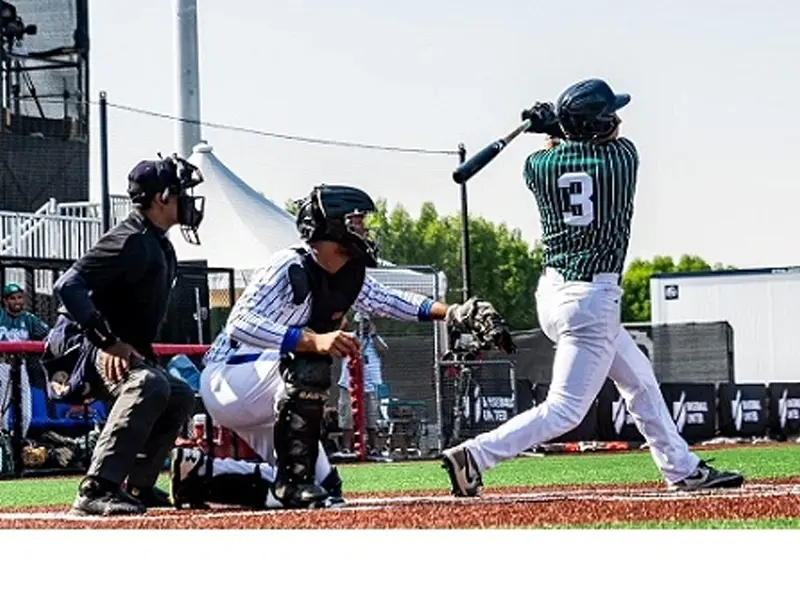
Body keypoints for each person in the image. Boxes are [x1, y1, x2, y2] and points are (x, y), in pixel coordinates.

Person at [442, 78, 745, 497]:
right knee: (565, 410)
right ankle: (475, 455)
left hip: (553, 294)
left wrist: (552, 127)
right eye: (608, 115)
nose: (616, 120)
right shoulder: (622, 160)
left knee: (639, 380)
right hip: (592, 301)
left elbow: (555, 151)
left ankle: (681, 468)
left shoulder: (539, 168)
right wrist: (557, 125)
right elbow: (602, 141)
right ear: (596, 126)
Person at [170, 184, 515, 510]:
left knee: (326, 490)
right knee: (311, 363)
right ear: (333, 226)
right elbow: (240, 324)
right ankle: (292, 480)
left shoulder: (348, 273)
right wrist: (312, 340)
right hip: (229, 377)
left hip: (268, 385)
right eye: (356, 221)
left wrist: (454, 313)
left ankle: (200, 476)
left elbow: (391, 301)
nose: (364, 230)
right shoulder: (288, 265)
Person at [46, 153, 207, 516]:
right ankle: (96, 488)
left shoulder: (159, 243)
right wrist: (107, 341)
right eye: (182, 192)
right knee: (150, 384)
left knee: (178, 392)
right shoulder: (130, 238)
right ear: (162, 197)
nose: (189, 201)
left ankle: (138, 484)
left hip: (103, 342)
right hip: (78, 345)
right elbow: (68, 285)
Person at [0, 283, 50, 439]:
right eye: (12, 298)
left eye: (20, 297)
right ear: (5, 301)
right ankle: (4, 439)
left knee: (26, 407)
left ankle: (21, 440)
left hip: (21, 366)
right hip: (2, 365)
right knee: (3, 405)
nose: (17, 301)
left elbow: (48, 335)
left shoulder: (29, 318)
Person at [336, 312, 388, 455]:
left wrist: (373, 335)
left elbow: (383, 351)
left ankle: (374, 448)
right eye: (360, 322)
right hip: (349, 383)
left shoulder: (375, 339)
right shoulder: (349, 338)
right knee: (347, 417)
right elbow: (339, 353)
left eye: (365, 322)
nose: (362, 325)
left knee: (372, 418)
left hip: (371, 385)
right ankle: (347, 448)